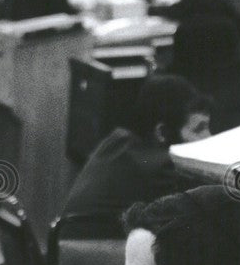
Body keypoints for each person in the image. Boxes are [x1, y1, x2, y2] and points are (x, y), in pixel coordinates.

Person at [61, 75, 212, 219]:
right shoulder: (160, 167)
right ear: (162, 132)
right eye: (198, 129)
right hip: (93, 243)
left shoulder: (118, 140)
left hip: (70, 240)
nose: (209, 137)